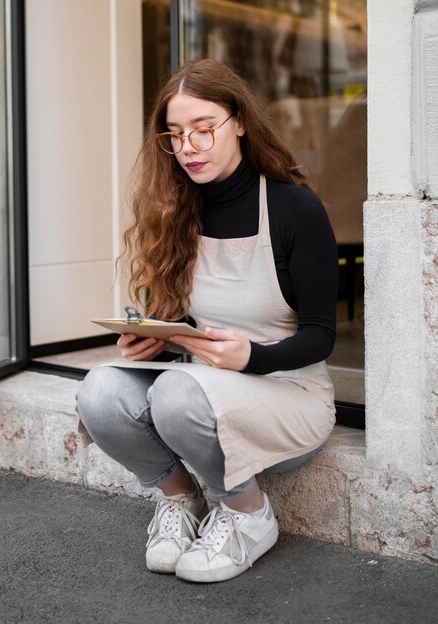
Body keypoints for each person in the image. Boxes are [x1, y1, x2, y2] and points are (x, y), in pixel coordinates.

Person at [75, 59, 338, 584]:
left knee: (175, 393)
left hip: (288, 399)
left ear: (239, 122)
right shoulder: (177, 210)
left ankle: (246, 512)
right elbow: (189, 328)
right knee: (100, 391)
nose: (188, 147)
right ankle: (180, 501)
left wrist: (254, 356)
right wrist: (157, 342)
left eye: (202, 129)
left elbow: (321, 336)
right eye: (175, 136)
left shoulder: (294, 209)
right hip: (204, 396)